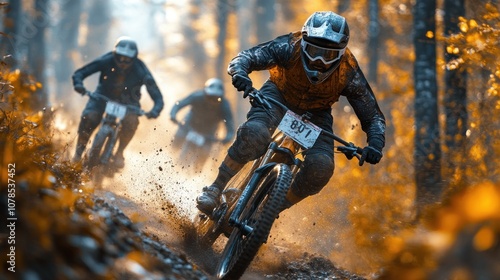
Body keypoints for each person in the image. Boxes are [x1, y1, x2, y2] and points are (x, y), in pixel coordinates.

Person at [196, 11, 386, 215]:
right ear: (304, 42)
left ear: (341, 52)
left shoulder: (348, 71)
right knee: (255, 133)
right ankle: (216, 188)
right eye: (314, 50)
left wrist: (375, 143)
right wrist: (240, 73)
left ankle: (268, 211)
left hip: (317, 113)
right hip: (278, 95)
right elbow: (246, 57)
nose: (319, 60)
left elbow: (373, 116)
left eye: (328, 54)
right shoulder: (288, 46)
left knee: (320, 168)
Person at [72, 36, 164, 168]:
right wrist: (79, 85)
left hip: (129, 103)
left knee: (131, 122)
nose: (123, 61)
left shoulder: (141, 70)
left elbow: (157, 95)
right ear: (115, 54)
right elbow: (81, 73)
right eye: (120, 57)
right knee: (90, 117)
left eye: (127, 59)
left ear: (134, 58)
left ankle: (120, 152)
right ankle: (78, 154)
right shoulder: (106, 60)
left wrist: (155, 110)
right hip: (102, 96)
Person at [169, 78, 235, 169]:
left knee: (204, 154)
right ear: (205, 93)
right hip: (189, 125)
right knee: (178, 138)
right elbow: (179, 104)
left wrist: (228, 137)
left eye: (216, 99)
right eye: (210, 97)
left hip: (208, 133)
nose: (212, 101)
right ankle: (168, 159)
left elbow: (230, 124)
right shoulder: (197, 96)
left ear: (222, 98)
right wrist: (173, 114)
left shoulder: (225, 106)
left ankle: (196, 174)